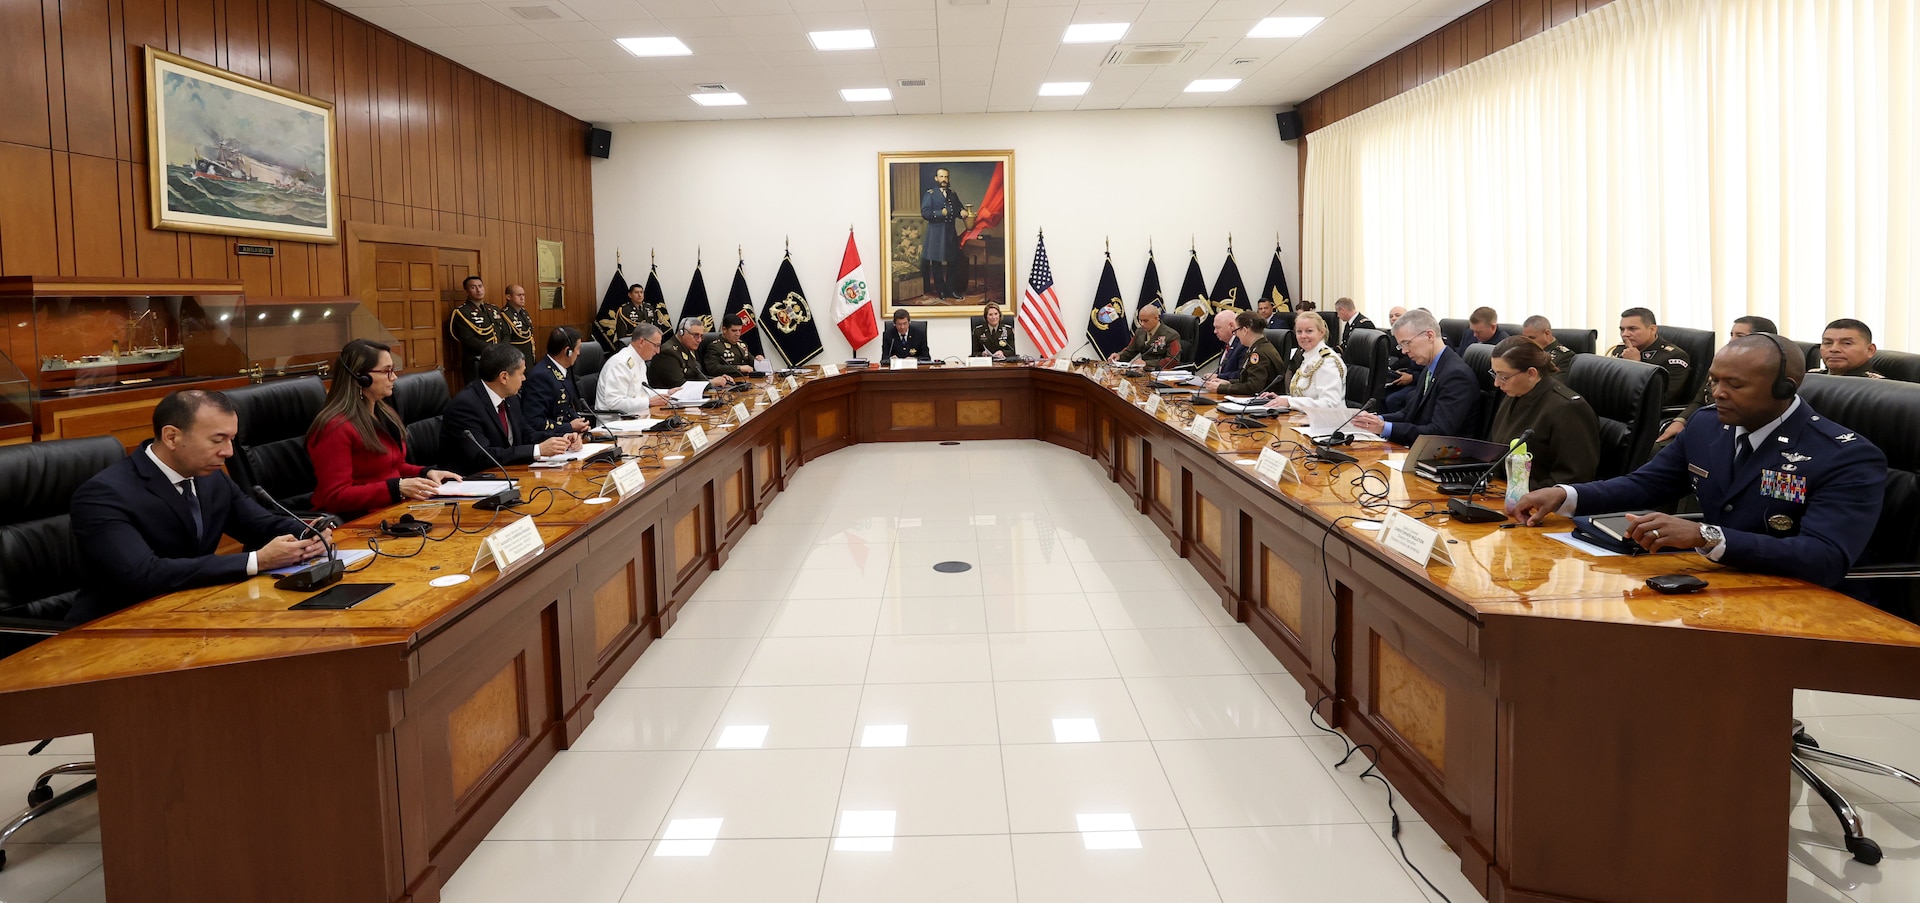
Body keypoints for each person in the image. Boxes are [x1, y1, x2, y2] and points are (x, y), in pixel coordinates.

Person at [1511, 334, 1886, 590]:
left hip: (1804, 598)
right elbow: (1646, 484)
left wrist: (1707, 535)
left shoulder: (1844, 455)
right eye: (1713, 382)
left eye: (1735, 385)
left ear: (1785, 388)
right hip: (1722, 582)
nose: (1718, 394)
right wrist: (1563, 493)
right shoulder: (1708, 425)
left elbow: (1825, 557)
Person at [69, 390, 329, 623]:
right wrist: (257, 561)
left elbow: (260, 524)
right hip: (117, 626)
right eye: (217, 440)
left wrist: (308, 534)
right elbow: (143, 574)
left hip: (193, 611)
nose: (228, 452)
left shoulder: (210, 478)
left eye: (232, 440)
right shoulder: (104, 494)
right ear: (171, 437)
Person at [307, 339, 462, 515]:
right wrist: (397, 488)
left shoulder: (384, 412)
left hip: (392, 510)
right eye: (387, 371)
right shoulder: (335, 427)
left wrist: (426, 473)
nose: (394, 377)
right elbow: (334, 497)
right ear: (361, 378)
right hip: (356, 521)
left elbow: (391, 466)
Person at [442, 344, 580, 475]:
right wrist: (538, 450)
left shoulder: (510, 398)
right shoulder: (465, 405)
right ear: (504, 377)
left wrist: (560, 439)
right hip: (472, 482)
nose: (524, 379)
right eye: (521, 374)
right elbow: (483, 455)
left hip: (508, 474)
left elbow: (526, 434)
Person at [1351, 309, 1477, 446]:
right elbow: (1408, 413)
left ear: (1429, 336)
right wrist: (1375, 419)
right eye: (1401, 346)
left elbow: (1439, 432)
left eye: (1407, 343)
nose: (1404, 351)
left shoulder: (1456, 376)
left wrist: (1384, 428)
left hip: (1446, 457)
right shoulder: (1430, 368)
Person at [1486, 336, 1600, 484]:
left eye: (1504, 376)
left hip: (1540, 501)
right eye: (1495, 374)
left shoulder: (1568, 408)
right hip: (1501, 490)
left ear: (1531, 374)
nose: (1496, 383)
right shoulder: (1512, 395)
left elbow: (1574, 477)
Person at [1654, 315, 1777, 445]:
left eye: (1740, 336)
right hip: (1704, 424)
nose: (1732, 341)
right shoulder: (1722, 363)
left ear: (1763, 341)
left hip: (1729, 432)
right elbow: (1699, 401)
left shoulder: (1767, 375)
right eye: (1731, 335)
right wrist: (1680, 421)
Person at [1250, 311, 1347, 409]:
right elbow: (1305, 395)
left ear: (1322, 332)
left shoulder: (1327, 361)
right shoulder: (1309, 356)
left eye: (1309, 331)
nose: (1303, 336)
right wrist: (1281, 398)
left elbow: (1330, 404)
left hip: (1326, 423)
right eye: (1299, 331)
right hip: (1304, 418)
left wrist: (1289, 402)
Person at [1607, 307, 1692, 406]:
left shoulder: (1674, 357)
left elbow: (1660, 398)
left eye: (1632, 329)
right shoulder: (1621, 350)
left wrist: (1635, 365)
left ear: (1652, 329)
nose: (1625, 334)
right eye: (1622, 329)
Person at [522, 326, 592, 435]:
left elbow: (566, 408)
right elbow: (534, 421)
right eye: (578, 349)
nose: (578, 353)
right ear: (567, 351)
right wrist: (569, 427)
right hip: (550, 441)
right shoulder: (541, 377)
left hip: (568, 437)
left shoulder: (561, 371)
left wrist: (580, 423)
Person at [598, 324, 676, 415]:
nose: (658, 351)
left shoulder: (639, 360)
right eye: (656, 345)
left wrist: (668, 392)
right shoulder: (620, 363)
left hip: (637, 416)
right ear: (642, 342)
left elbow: (642, 392)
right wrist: (648, 402)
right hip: (616, 422)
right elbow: (614, 402)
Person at [920, 167, 971, 300]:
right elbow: (925, 213)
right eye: (941, 177)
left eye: (946, 177)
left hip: (950, 233)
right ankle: (941, 290)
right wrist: (939, 213)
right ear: (936, 178)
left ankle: (951, 289)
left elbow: (958, 207)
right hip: (936, 233)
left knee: (953, 262)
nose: (944, 180)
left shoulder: (952, 193)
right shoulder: (930, 194)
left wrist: (962, 212)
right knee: (936, 263)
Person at [1203, 311, 1284, 396]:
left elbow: (1253, 387)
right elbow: (1247, 379)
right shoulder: (1258, 347)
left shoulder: (1259, 353)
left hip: (1264, 403)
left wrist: (1221, 388)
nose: (1236, 335)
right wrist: (1228, 382)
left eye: (1236, 331)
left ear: (1244, 330)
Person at [650, 318, 733, 390]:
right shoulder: (668, 352)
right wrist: (711, 383)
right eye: (696, 335)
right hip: (668, 402)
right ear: (682, 332)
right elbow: (680, 385)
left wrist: (719, 379)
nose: (699, 340)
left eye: (701, 336)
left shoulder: (687, 347)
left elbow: (697, 376)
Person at [448, 275, 503, 383]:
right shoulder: (462, 312)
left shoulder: (493, 309)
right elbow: (468, 340)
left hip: (498, 359)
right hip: (477, 361)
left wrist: (502, 350)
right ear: (467, 291)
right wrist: (494, 350)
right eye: (473, 287)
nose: (478, 290)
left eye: (480, 286)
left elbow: (504, 332)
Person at [1109, 303, 1181, 370]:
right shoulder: (1140, 331)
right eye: (1140, 320)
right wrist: (1119, 356)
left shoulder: (1171, 335)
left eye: (1145, 321)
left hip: (1160, 373)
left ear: (1156, 318)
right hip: (1143, 373)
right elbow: (1130, 351)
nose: (1142, 324)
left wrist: (1147, 363)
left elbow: (1173, 360)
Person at [1814, 318, 1884, 379]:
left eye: (1846, 343)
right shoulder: (1811, 377)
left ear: (1870, 350)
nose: (1834, 349)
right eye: (1828, 343)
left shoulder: (1879, 387)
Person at [496, 283, 536, 366]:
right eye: (519, 295)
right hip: (515, 358)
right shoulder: (504, 315)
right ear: (508, 297)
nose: (522, 298)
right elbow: (505, 341)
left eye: (523, 295)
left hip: (528, 356)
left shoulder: (524, 312)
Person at [1206, 310, 1247, 380]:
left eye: (1218, 327)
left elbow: (1242, 374)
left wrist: (1218, 377)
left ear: (1231, 326)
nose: (1215, 331)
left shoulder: (1242, 344)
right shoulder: (1228, 343)